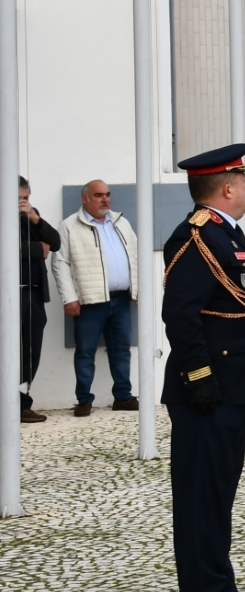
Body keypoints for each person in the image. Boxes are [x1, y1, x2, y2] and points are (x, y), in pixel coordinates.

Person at [162, 144, 245, 592]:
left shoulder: (225, 233)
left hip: (232, 386)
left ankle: (215, 580)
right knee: (201, 492)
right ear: (227, 188)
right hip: (208, 390)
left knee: (218, 489)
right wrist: (199, 374)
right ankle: (203, 590)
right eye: (243, 181)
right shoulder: (196, 237)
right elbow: (180, 314)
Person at [50, 180, 139, 416]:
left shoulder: (121, 222)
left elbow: (135, 256)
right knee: (85, 352)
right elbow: (60, 263)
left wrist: (138, 289)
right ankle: (84, 400)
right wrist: (69, 298)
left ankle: (123, 397)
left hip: (121, 300)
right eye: (99, 195)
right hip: (89, 303)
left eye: (107, 194)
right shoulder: (70, 225)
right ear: (85, 198)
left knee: (121, 351)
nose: (105, 199)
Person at [14, 178, 59, 423]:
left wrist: (34, 218)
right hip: (10, 295)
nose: (23, 203)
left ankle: (22, 403)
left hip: (33, 294)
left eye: (26, 198)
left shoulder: (30, 217)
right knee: (10, 352)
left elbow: (56, 243)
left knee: (30, 352)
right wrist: (38, 249)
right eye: (18, 199)